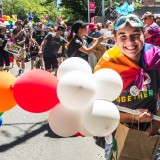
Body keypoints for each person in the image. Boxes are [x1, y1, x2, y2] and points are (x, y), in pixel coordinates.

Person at [94, 13, 160, 159]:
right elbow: (100, 111)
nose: (130, 41)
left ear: (145, 34)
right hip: (117, 135)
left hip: (151, 134)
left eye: (136, 34)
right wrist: (132, 117)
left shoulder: (156, 58)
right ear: (114, 39)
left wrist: (153, 128)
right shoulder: (106, 66)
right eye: (122, 35)